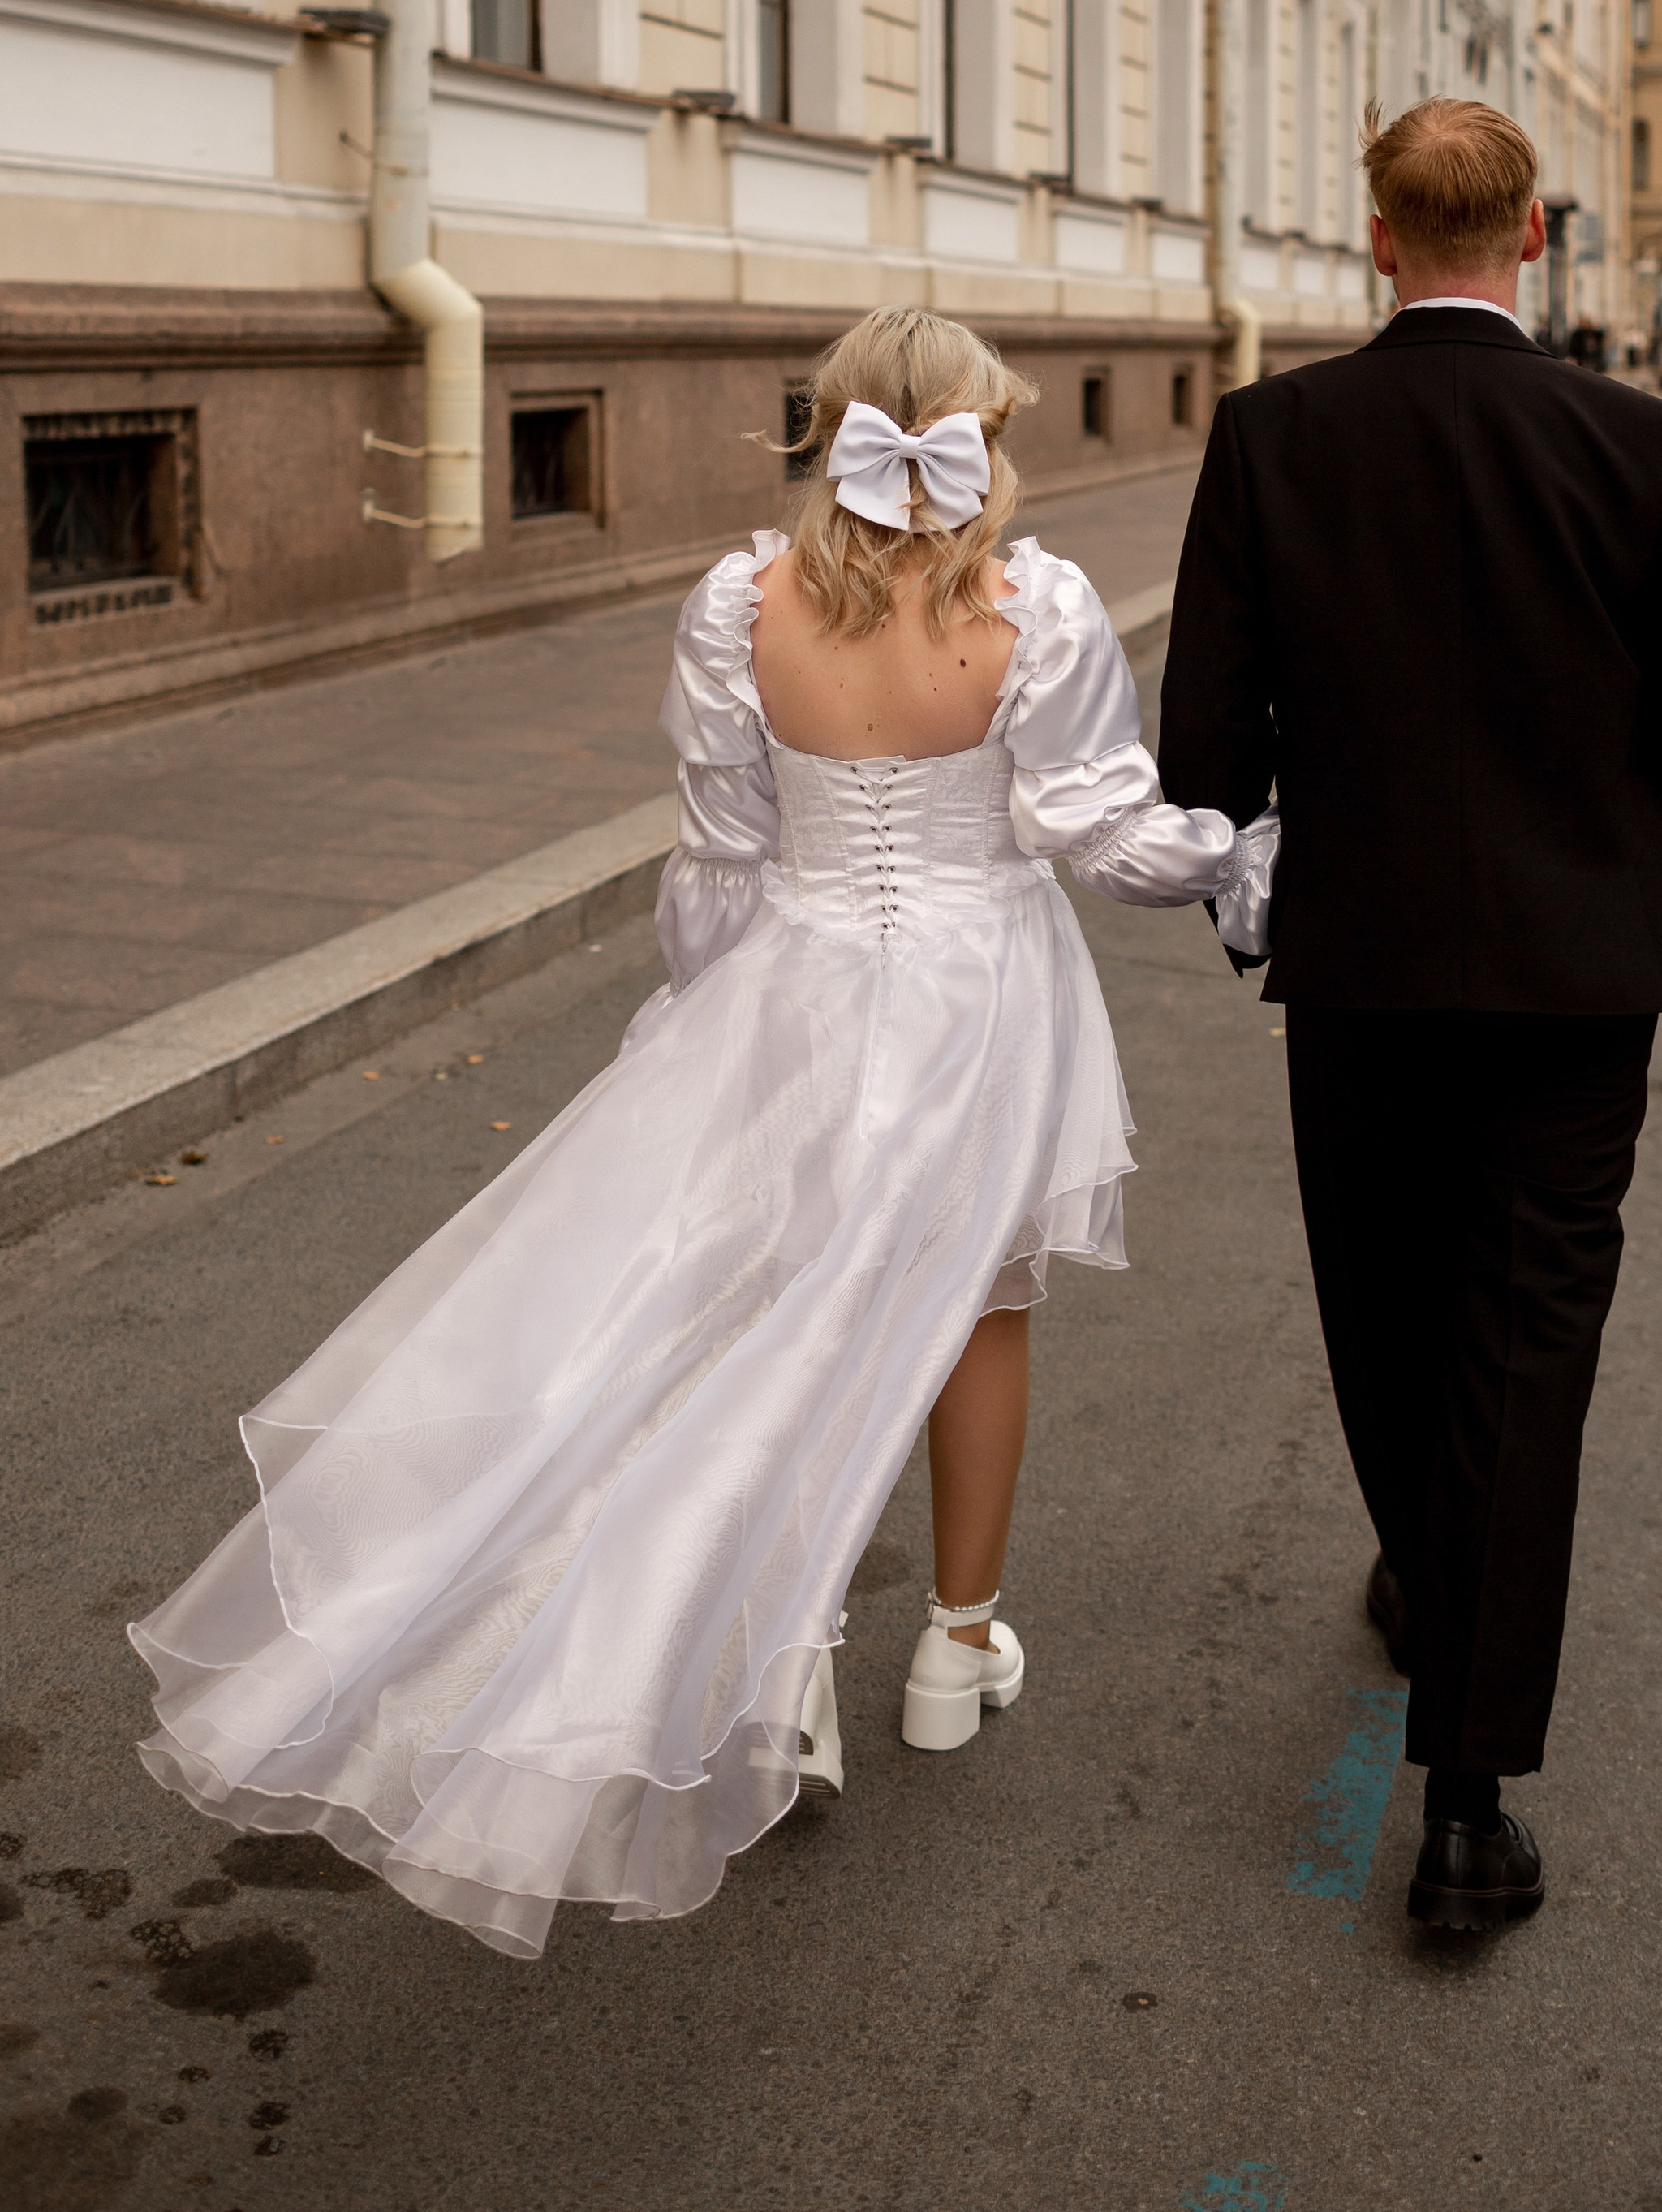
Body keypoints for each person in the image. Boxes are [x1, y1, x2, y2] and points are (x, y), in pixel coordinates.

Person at [131, 308, 1270, 1960]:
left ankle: (784, 1656)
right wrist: (1238, 858)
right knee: (979, 1303)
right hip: (978, 996)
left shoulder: (744, 602)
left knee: (781, 1306)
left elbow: (721, 849)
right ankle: (955, 1644)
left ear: (824, 432)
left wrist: (701, 1024)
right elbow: (1092, 825)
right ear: (975, 436)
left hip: (793, 986)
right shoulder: (1036, 602)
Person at [1157, 97, 1662, 1936]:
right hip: (1579, 974)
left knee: (1383, 1302)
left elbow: (1205, 743)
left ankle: (1430, 1582)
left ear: (1376, 239)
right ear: (1528, 239)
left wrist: (1292, 822)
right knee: (1525, 1335)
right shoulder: (1631, 442)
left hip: (1360, 958)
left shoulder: (1273, 436)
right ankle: (1464, 1806)